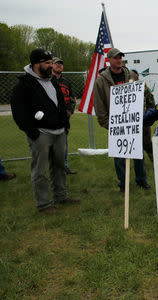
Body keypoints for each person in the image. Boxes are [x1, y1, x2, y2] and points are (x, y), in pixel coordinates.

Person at [10, 49, 79, 214]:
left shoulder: (53, 82)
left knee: (60, 165)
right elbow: (19, 112)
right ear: (36, 64)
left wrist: (65, 124)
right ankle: (43, 204)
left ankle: (61, 196)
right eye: (47, 63)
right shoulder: (24, 85)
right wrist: (32, 131)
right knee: (40, 171)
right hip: (41, 133)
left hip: (60, 131)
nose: (51, 66)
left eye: (51, 62)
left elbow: (61, 103)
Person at [93, 48, 150, 193]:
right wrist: (107, 123)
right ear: (109, 60)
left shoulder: (131, 75)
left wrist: (140, 116)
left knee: (138, 153)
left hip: (133, 122)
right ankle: (123, 184)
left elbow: (141, 95)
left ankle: (141, 180)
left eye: (120, 58)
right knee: (119, 156)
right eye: (116, 58)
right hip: (116, 124)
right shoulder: (101, 80)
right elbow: (99, 104)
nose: (119, 60)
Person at [52, 57, 77, 175]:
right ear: (51, 65)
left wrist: (70, 112)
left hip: (64, 120)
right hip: (51, 120)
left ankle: (64, 167)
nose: (59, 66)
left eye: (61, 64)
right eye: (57, 63)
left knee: (64, 145)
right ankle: (53, 169)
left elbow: (72, 99)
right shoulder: (47, 81)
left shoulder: (66, 83)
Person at [131, 69, 155, 162]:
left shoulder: (142, 87)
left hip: (143, 120)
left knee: (147, 143)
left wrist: (147, 115)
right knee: (134, 145)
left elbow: (151, 101)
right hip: (130, 122)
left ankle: (155, 162)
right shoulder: (124, 88)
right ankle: (139, 164)